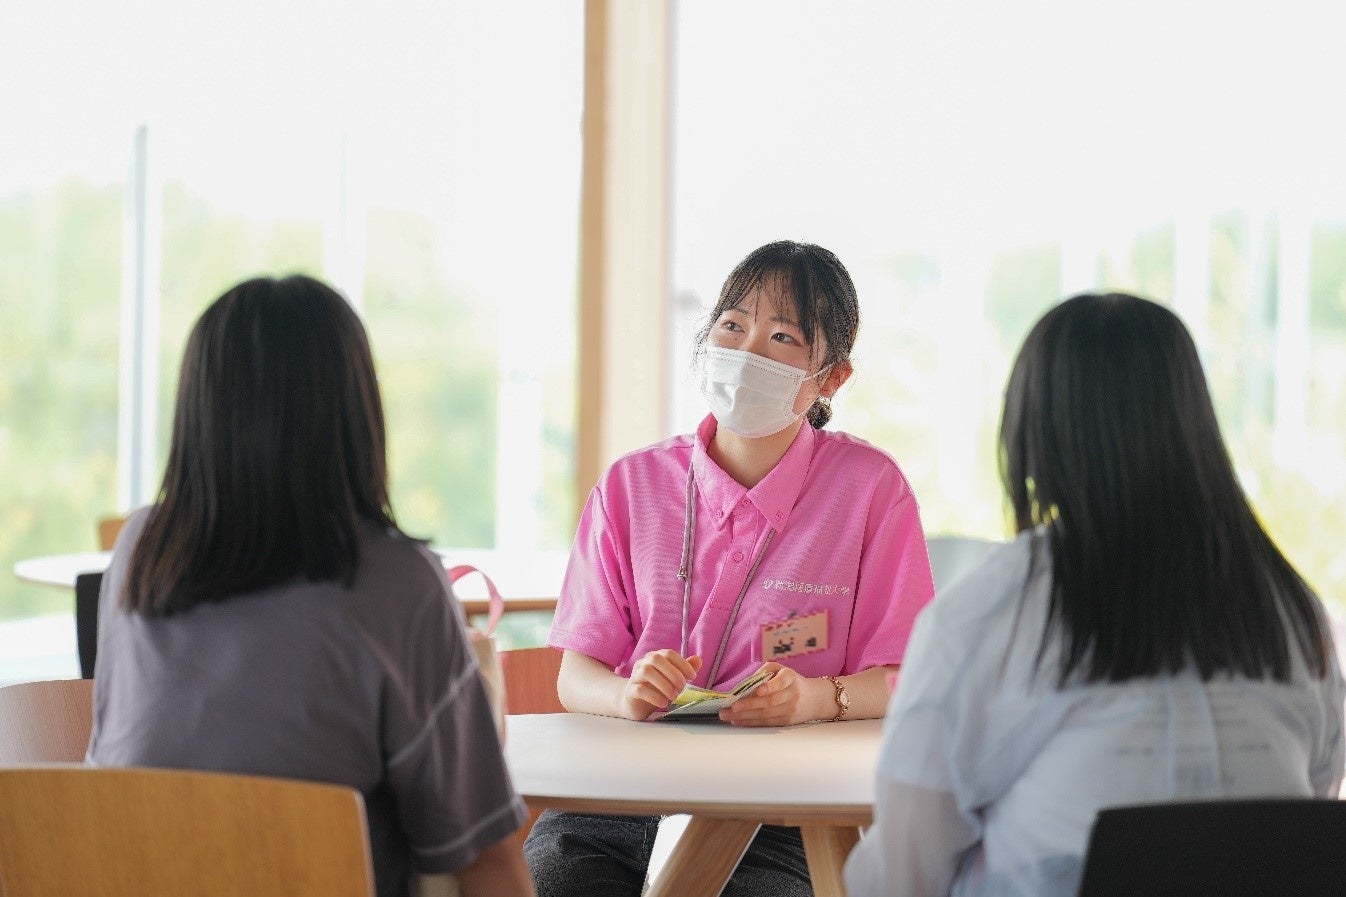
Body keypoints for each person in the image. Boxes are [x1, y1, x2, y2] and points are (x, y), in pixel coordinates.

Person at [845, 292, 1345, 897]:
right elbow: (1308, 805)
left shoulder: (994, 608)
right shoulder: (1291, 608)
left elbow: (904, 873)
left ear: (1034, 429)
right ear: (1195, 423)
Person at [86, 275, 536, 897]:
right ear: (354, 409)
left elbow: (111, 762)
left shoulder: (141, 550)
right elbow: (482, 857)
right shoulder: (395, 584)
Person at [525, 240, 936, 897]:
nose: (746, 351)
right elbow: (577, 672)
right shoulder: (632, 485)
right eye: (732, 325)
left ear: (831, 378)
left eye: (782, 337)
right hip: (618, 804)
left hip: (783, 816)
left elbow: (909, 681)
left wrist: (813, 699)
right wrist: (626, 695)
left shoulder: (869, 490)